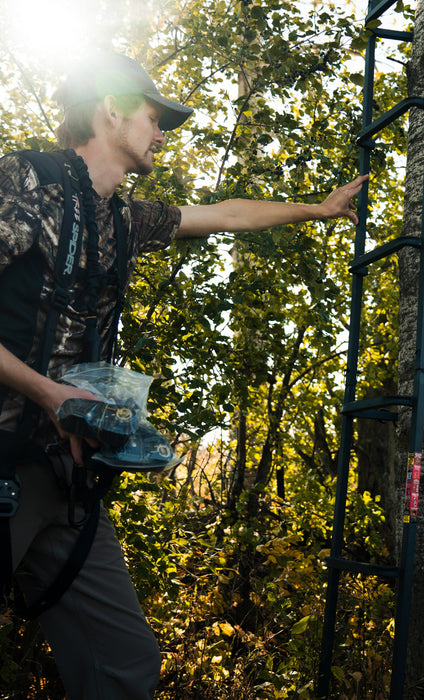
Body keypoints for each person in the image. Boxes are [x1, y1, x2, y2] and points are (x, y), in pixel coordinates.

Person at [0, 52, 367, 698]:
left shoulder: (123, 218)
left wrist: (315, 210)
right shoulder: (26, 182)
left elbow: (226, 214)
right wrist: (48, 393)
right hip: (4, 461)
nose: (163, 131)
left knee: (126, 663)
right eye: (153, 115)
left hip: (70, 481)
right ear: (110, 108)